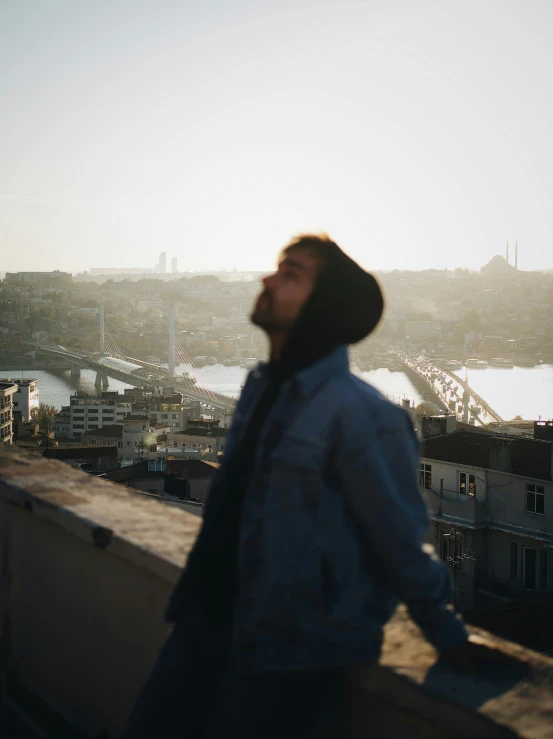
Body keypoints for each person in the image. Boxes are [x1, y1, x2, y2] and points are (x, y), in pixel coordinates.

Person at [123, 234, 518, 739]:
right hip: (204, 629)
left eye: (291, 274)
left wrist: (447, 634)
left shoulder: (364, 416)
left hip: (288, 661)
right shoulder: (260, 391)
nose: (267, 280)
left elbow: (399, 542)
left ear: (325, 307)